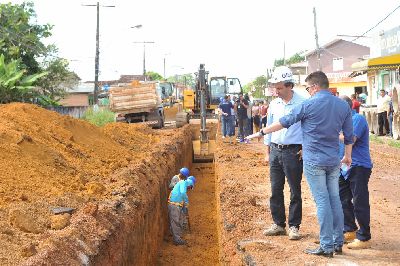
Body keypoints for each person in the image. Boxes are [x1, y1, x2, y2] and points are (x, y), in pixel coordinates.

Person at [247, 71, 353, 257]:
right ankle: (337, 242)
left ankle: (327, 245)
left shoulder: (308, 104)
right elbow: (349, 136)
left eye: (308, 88)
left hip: (314, 160)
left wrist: (261, 132)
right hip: (333, 160)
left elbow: (284, 122)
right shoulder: (342, 105)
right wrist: (348, 156)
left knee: (322, 201)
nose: (308, 91)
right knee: (334, 199)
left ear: (314, 87)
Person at [262, 66, 305, 240]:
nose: (276, 91)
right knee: (275, 189)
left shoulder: (303, 102)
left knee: (295, 190)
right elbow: (269, 128)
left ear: (289, 86)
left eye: (279, 88)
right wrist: (268, 151)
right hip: (275, 150)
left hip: (294, 151)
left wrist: (305, 147)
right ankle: (278, 224)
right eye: (275, 87)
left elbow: (309, 128)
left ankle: (294, 226)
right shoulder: (274, 103)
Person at [338, 96, 373, 250]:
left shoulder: (357, 119)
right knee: (343, 199)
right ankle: (349, 229)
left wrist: (330, 132)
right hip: (343, 167)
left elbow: (350, 139)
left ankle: (364, 237)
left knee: (360, 201)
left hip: (358, 166)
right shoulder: (339, 123)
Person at [168, 178, 195, 245]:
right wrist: (186, 201)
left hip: (177, 205)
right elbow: (183, 193)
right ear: (190, 184)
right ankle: (177, 240)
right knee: (175, 222)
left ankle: (177, 236)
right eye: (190, 187)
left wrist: (184, 208)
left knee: (179, 221)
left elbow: (181, 196)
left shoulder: (182, 186)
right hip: (174, 205)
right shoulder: (183, 183)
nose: (189, 189)